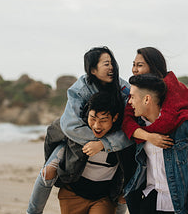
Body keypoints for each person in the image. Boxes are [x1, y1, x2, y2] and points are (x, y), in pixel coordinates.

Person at [26, 47, 133, 214]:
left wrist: (106, 144)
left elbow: (131, 127)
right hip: (76, 138)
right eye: (106, 63)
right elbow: (70, 126)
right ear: (93, 69)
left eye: (112, 62)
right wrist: (98, 141)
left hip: (115, 139)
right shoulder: (81, 88)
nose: (111, 67)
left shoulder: (124, 90)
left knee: (126, 188)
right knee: (48, 171)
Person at [122, 47, 188, 213]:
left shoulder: (173, 88)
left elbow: (167, 123)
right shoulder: (138, 91)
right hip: (151, 193)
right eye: (133, 64)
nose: (134, 69)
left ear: (153, 66)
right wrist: (148, 136)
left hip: (182, 189)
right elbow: (126, 122)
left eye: (140, 65)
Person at [45, 91, 135, 214]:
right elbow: (52, 132)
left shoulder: (121, 139)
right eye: (93, 118)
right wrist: (51, 164)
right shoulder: (76, 129)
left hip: (103, 198)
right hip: (72, 193)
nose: (97, 125)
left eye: (103, 120)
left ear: (115, 118)